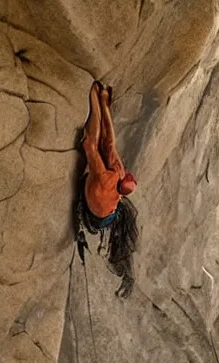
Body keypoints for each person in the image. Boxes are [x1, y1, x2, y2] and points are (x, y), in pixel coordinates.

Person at [76, 81, 138, 298]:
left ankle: (125, 269)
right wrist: (104, 104)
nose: (122, 167)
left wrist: (93, 97)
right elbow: (109, 141)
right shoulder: (116, 174)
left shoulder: (105, 176)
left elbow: (90, 144)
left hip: (96, 216)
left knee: (97, 146)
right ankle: (104, 102)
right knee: (108, 147)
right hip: (109, 208)